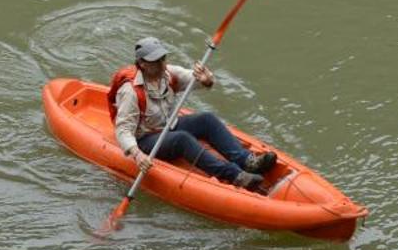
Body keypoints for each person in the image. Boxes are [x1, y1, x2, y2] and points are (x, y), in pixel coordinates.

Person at [111, 36, 277, 192]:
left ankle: (247, 161)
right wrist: (138, 155)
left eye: (163, 58)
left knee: (206, 119)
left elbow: (193, 78)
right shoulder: (130, 92)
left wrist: (206, 80)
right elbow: (123, 130)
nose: (162, 64)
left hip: (169, 125)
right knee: (181, 139)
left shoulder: (167, 74)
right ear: (142, 64)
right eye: (156, 61)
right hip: (145, 139)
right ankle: (235, 175)